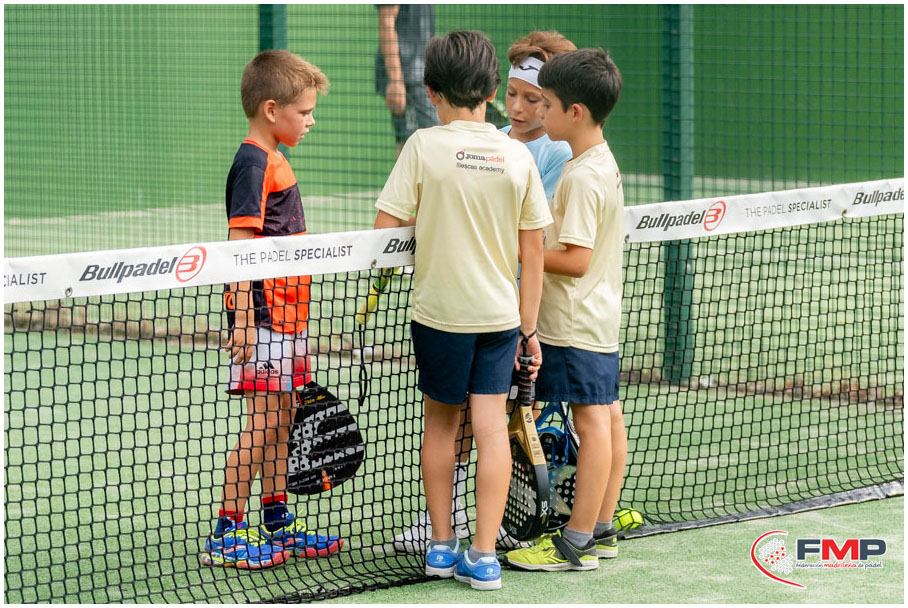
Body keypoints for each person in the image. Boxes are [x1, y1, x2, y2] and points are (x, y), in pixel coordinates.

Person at [373, 30, 551, 591]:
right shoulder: (518, 155)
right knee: (492, 428)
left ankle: (441, 545)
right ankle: (484, 556)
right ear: (494, 90)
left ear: (430, 92)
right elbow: (533, 252)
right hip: (500, 320)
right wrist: (528, 329)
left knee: (442, 426)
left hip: (439, 317)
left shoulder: (421, 146)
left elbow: (385, 232)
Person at [201, 50, 342, 569]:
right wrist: (242, 320)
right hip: (260, 321)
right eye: (304, 112)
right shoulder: (253, 163)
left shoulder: (276, 158)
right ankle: (227, 531)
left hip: (288, 320)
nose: (310, 121)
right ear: (271, 109)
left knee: (282, 422)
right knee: (261, 425)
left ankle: (276, 521)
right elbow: (238, 248)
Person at [504, 48, 627, 572]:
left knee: (593, 422)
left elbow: (576, 261)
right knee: (604, 418)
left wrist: (519, 249)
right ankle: (599, 528)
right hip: (595, 319)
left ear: (574, 112)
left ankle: (576, 541)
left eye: (547, 104)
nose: (538, 112)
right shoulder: (599, 161)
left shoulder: (580, 177)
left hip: (577, 324)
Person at [376, 4, 439, 157]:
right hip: (408, 78)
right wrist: (396, 80)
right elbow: (386, 20)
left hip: (424, 73)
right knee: (412, 145)